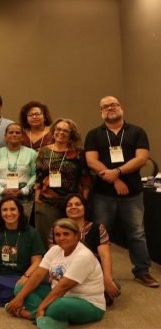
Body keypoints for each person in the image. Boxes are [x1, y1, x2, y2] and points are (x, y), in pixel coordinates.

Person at [84, 95, 159, 287]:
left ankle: (142, 271)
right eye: (105, 106)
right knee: (100, 234)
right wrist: (116, 180)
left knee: (137, 233)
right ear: (101, 111)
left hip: (132, 193)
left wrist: (117, 172)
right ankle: (96, 272)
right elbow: (91, 161)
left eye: (113, 104)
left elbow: (142, 159)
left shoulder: (137, 132)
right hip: (103, 194)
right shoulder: (94, 134)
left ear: (121, 107)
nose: (110, 108)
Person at [6, 218, 105, 329]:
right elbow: (38, 275)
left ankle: (31, 314)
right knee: (20, 289)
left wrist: (41, 307)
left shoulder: (84, 256)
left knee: (58, 306)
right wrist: (18, 298)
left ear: (77, 236)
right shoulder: (54, 250)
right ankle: (52, 316)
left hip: (88, 302)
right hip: (60, 295)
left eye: (66, 234)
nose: (61, 238)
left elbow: (63, 286)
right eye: (58, 235)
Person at [48, 194, 120, 305]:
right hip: (64, 272)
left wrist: (108, 280)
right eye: (69, 205)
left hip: (90, 274)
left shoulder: (98, 228)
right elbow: (53, 256)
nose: (73, 207)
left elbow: (105, 256)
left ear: (85, 208)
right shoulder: (56, 228)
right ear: (65, 209)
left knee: (114, 288)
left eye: (78, 204)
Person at [35, 118, 91, 247]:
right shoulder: (43, 151)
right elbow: (38, 176)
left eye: (65, 131)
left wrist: (84, 200)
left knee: (69, 237)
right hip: (47, 201)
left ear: (71, 135)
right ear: (53, 131)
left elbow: (85, 178)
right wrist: (37, 198)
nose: (61, 133)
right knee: (46, 238)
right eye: (58, 129)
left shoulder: (78, 153)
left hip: (71, 202)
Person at [0, 123, 37, 221]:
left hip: (24, 198)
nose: (14, 134)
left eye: (17, 133)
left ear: (22, 136)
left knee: (23, 224)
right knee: (4, 224)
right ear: (5, 136)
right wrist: (1, 190)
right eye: (11, 132)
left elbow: (35, 174)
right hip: (2, 196)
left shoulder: (32, 153)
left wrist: (24, 190)